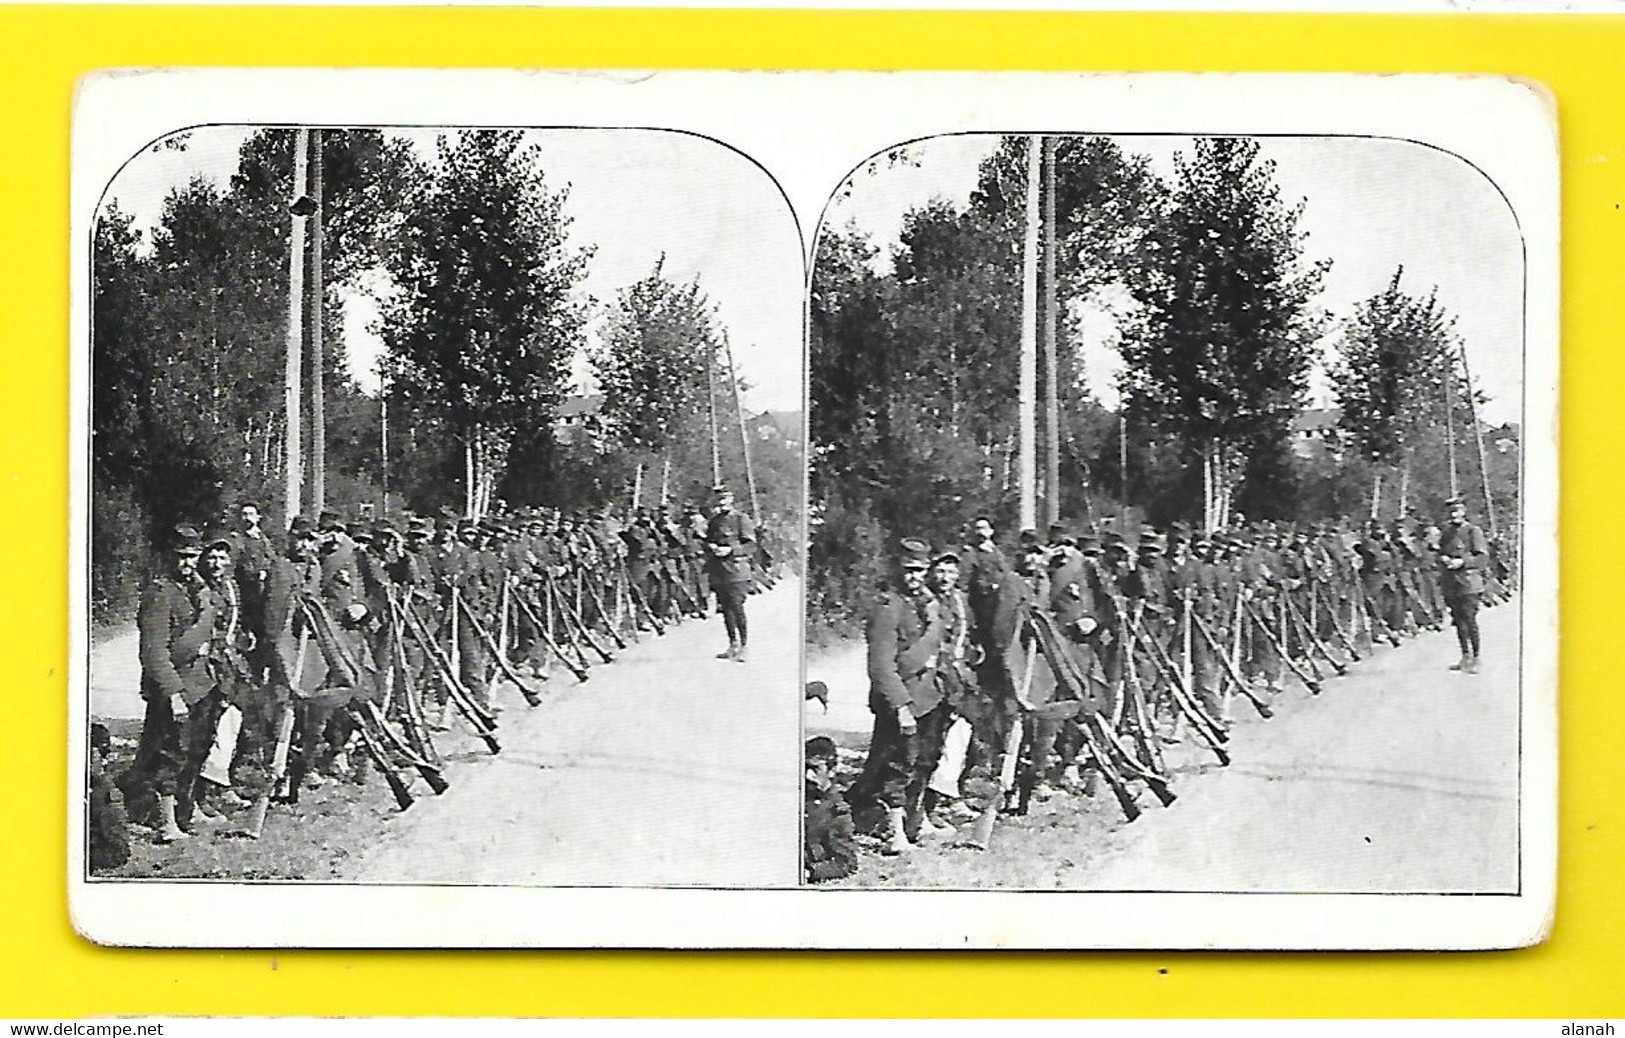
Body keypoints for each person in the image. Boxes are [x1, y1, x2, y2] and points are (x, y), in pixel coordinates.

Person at [845, 537, 945, 854]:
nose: (913, 576)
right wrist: (901, 707)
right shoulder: (887, 608)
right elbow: (881, 667)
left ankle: (918, 819)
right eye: (908, 570)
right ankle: (894, 835)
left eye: (919, 570)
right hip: (902, 700)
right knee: (898, 765)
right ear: (898, 570)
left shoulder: (928, 604)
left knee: (926, 759)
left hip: (928, 695)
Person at [122, 524, 217, 843]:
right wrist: (174, 693)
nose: (187, 564)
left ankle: (187, 807)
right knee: (171, 752)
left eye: (192, 557)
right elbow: (154, 653)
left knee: (197, 747)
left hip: (200, 683)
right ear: (168, 557)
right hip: (176, 688)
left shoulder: (195, 589)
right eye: (181, 557)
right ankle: (166, 823)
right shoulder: (160, 595)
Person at [704, 484, 756, 662]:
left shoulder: (741, 519)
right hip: (719, 571)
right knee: (725, 609)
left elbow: (751, 545)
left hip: (737, 571)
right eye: (718, 499)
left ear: (731, 499)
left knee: (737, 607)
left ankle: (744, 646)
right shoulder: (714, 522)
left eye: (724, 498)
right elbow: (707, 541)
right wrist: (711, 547)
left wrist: (730, 550)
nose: (721, 502)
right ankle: (732, 644)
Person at [1438, 496, 1490, 673]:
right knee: (1458, 620)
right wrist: (1443, 558)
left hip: (1469, 583)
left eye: (1457, 511)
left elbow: (1482, 557)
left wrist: (1463, 562)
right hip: (1451, 583)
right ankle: (1465, 655)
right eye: (1451, 511)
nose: (1454, 514)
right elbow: (1441, 551)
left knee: (1470, 619)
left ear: (1463, 511)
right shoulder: (1446, 532)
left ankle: (1476, 657)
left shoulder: (1473, 531)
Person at [803, 736, 857, 883]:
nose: (808, 776)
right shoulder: (795, 798)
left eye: (815, 769)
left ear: (831, 770)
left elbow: (846, 862)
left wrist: (810, 872)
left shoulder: (836, 811)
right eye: (805, 768)